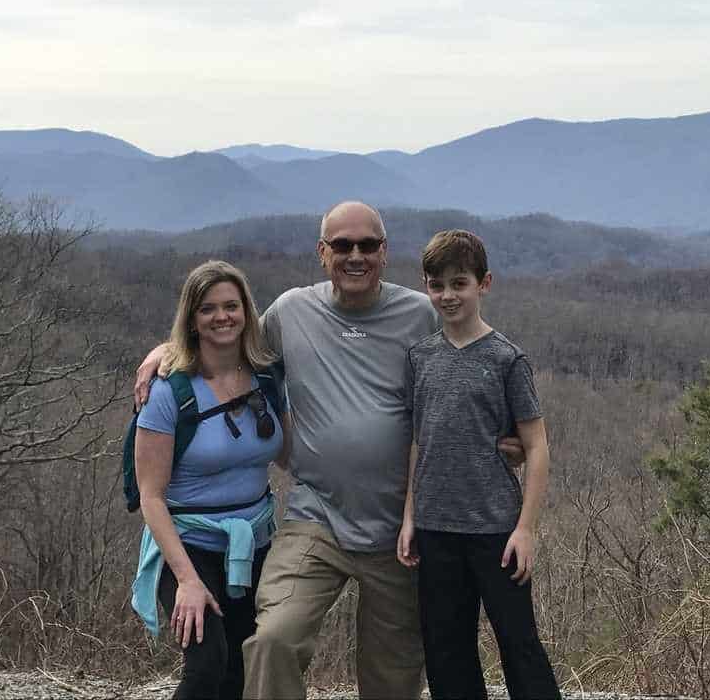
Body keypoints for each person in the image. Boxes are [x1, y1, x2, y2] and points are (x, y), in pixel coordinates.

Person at [136, 202, 524, 700]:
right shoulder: (293, 312)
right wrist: (165, 352)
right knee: (272, 640)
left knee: (392, 677)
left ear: (385, 252)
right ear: (323, 253)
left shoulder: (421, 314)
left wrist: (501, 440)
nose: (355, 256)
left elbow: (475, 361)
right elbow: (227, 338)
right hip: (314, 517)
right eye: (342, 246)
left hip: (400, 531)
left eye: (368, 245)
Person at [398, 229, 561, 700]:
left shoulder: (506, 359)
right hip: (434, 528)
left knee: (519, 644)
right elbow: (418, 442)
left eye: (459, 283)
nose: (447, 295)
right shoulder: (419, 357)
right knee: (447, 652)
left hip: (495, 529)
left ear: (484, 283)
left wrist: (526, 529)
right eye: (436, 284)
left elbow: (537, 445)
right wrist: (410, 517)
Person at [131, 260, 285, 700]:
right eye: (208, 308)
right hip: (187, 546)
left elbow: (292, 454)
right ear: (192, 318)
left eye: (231, 306)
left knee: (240, 669)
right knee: (206, 667)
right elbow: (151, 497)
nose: (222, 317)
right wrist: (187, 581)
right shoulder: (167, 393)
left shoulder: (267, 378)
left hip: (253, 544)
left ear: (247, 312)